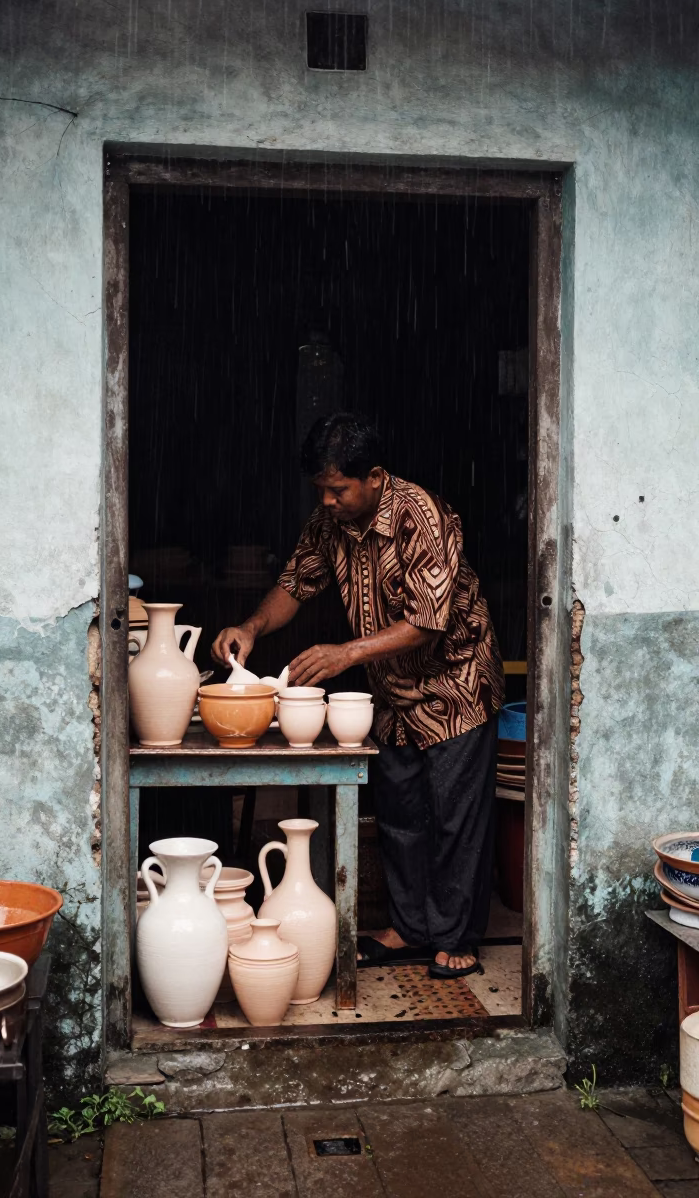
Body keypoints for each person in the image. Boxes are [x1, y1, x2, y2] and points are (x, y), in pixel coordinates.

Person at [212, 414, 505, 979]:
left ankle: (454, 935)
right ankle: (411, 927)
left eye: (337, 488)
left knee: (454, 817)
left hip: (457, 682)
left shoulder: (423, 516)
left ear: (373, 477)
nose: (326, 500)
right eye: (320, 488)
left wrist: (345, 654)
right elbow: (296, 584)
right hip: (392, 691)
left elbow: (428, 621)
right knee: (400, 814)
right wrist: (251, 627)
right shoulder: (330, 524)